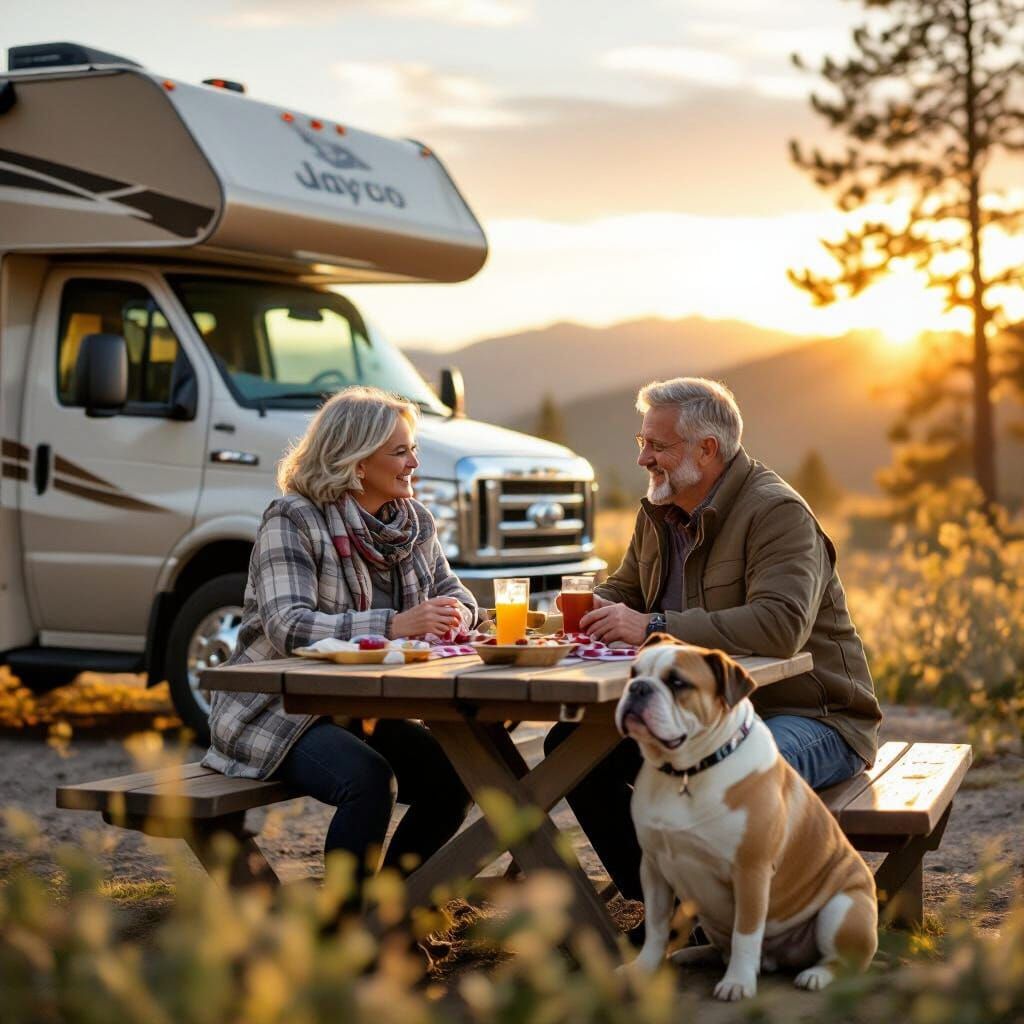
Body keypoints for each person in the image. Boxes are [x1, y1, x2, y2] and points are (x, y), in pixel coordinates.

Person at [545, 376, 882, 905]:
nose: (644, 459)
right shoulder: (658, 510)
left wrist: (654, 627)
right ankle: (675, 911)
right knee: (573, 750)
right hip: (701, 711)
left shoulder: (777, 513)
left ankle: (725, 917)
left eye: (657, 446)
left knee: (727, 768)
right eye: (642, 443)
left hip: (810, 716)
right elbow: (626, 590)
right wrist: (574, 613)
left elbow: (780, 626)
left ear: (707, 449)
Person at [203, 385, 475, 892]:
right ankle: (343, 931)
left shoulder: (413, 522)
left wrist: (459, 610)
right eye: (400, 451)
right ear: (355, 460)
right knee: (369, 781)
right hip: (277, 709)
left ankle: (385, 915)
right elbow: (289, 625)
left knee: (454, 776)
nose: (414, 461)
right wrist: (393, 625)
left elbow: (452, 591)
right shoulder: (292, 518)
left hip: (362, 709)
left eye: (412, 448)